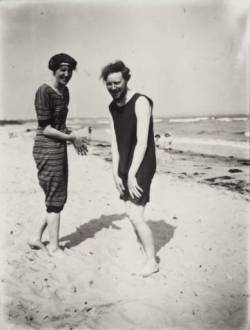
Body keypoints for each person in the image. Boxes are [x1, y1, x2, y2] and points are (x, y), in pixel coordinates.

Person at [100, 60, 158, 277]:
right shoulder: (112, 107)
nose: (113, 87)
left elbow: (142, 143)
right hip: (124, 160)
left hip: (142, 162)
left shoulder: (141, 101)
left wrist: (132, 174)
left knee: (135, 215)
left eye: (117, 83)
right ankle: (144, 249)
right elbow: (114, 142)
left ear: (126, 80)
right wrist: (115, 172)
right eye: (109, 84)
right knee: (128, 209)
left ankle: (152, 261)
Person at [29, 53, 88, 257]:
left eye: (70, 70)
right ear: (53, 70)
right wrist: (72, 139)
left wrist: (73, 137)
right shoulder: (43, 91)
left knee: (57, 196)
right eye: (63, 69)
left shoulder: (65, 92)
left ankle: (36, 238)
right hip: (46, 147)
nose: (67, 73)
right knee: (55, 197)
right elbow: (45, 128)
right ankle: (54, 247)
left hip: (59, 147)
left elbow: (60, 125)